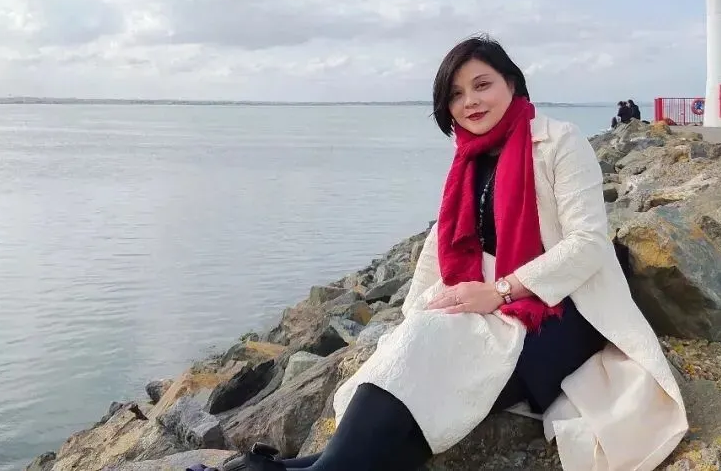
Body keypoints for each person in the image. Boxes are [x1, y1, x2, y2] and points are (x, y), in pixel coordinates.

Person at [212, 35, 688, 471]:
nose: (470, 101)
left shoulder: (559, 140)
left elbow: (588, 242)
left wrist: (499, 292)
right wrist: (413, 319)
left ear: (512, 83)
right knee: (416, 348)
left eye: (482, 85)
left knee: (434, 361)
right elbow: (439, 246)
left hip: (557, 308)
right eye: (456, 94)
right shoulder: (470, 156)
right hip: (487, 298)